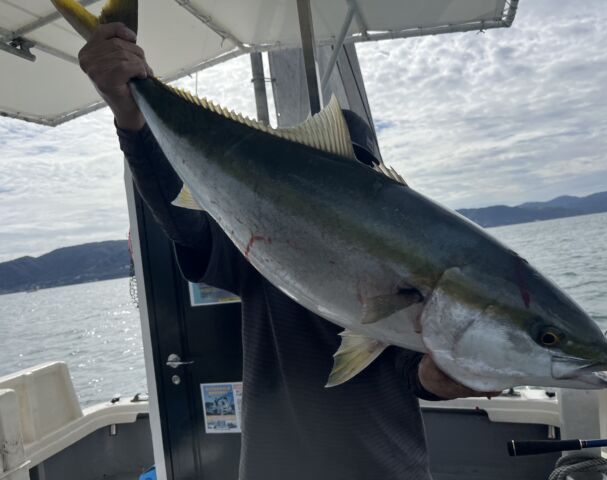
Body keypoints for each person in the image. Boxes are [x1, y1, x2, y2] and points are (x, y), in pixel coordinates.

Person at [79, 22, 496, 480]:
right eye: (323, 183)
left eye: (356, 184)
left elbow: (411, 368)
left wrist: (438, 378)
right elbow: (182, 219)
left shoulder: (408, 260)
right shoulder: (259, 238)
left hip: (385, 468)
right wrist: (130, 117)